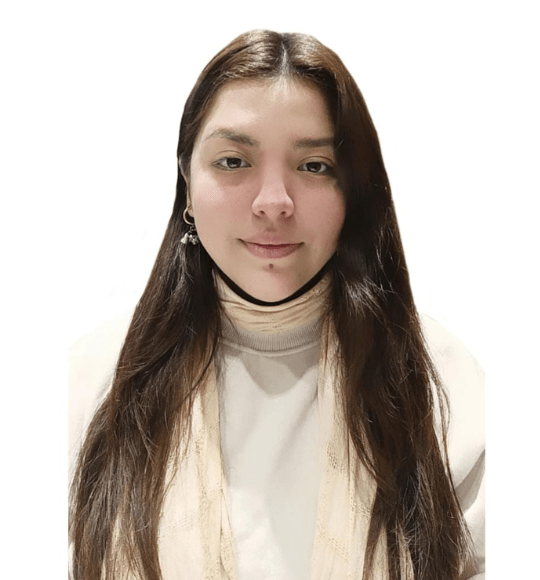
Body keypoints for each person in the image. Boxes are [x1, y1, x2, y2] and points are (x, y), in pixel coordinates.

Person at [69, 29, 485, 580]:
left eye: (314, 166)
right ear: (187, 184)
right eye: (233, 161)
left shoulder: (442, 383)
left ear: (353, 191)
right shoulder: (91, 380)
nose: (273, 202)